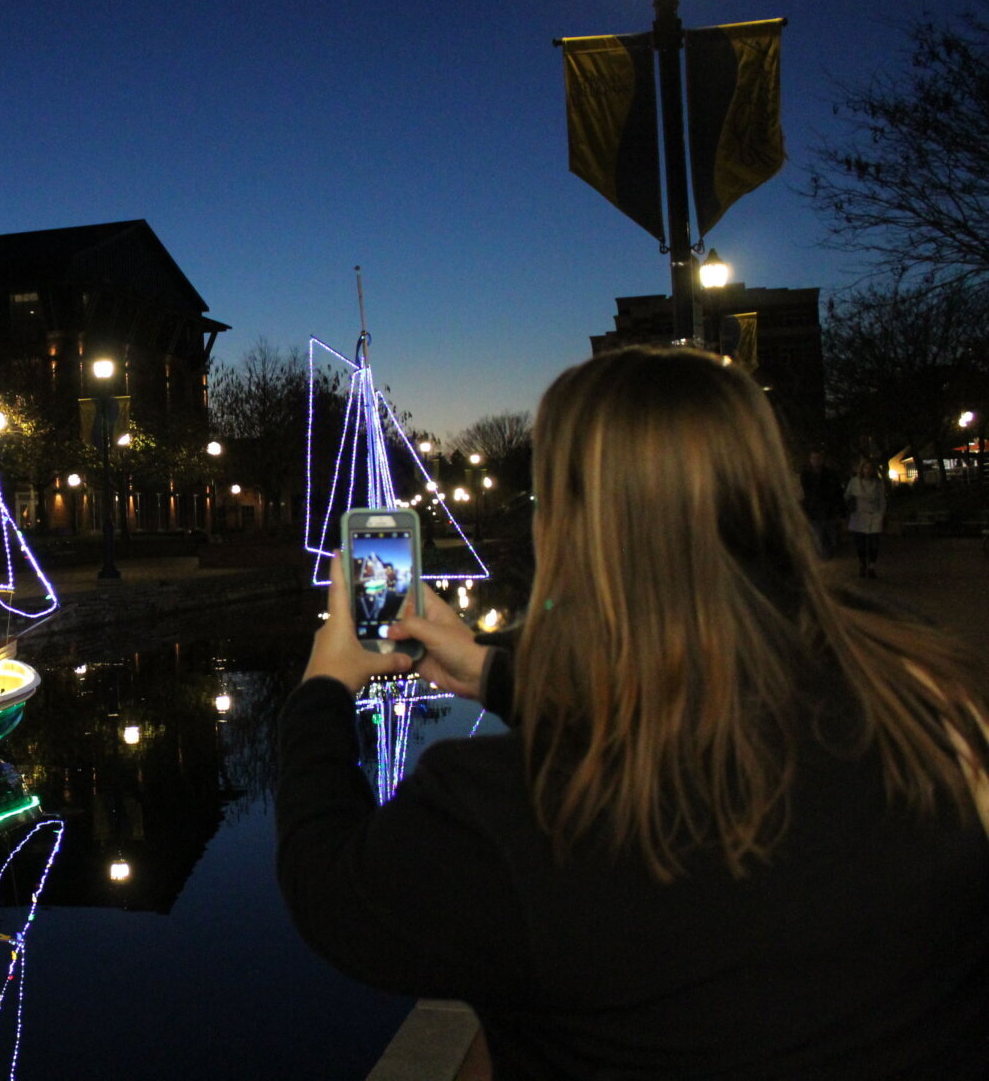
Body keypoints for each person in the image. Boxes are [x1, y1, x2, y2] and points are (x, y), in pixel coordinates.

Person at [276, 347, 989, 1079]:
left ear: (570, 527)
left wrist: (322, 688)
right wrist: (492, 673)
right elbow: (690, 707)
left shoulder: (515, 811)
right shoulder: (920, 695)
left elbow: (332, 889)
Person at [798, 447, 846, 559]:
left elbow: (838, 492)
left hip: (829, 511)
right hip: (814, 511)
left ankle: (828, 553)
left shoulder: (830, 474)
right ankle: (823, 556)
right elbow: (804, 493)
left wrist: (841, 510)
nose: (816, 460)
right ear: (810, 459)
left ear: (822, 459)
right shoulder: (805, 475)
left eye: (818, 458)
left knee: (831, 536)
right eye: (814, 458)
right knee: (818, 536)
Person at [845, 457, 887, 578]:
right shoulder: (854, 482)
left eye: (870, 468)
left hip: (874, 515)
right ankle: (862, 563)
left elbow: (882, 500)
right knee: (860, 543)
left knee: (874, 542)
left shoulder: (877, 483)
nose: (867, 470)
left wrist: (882, 514)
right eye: (865, 468)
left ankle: (872, 566)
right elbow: (847, 496)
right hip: (859, 516)